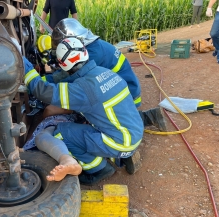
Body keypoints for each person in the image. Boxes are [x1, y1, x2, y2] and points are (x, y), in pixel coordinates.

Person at [23, 37, 144, 185]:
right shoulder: (104, 71)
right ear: (85, 52)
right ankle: (115, 156)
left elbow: (42, 91)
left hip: (122, 142)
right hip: (134, 132)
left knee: (60, 133)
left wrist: (26, 66)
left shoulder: (84, 89)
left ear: (62, 64)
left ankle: (98, 168)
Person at [47, 18, 167, 132]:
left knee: (90, 109)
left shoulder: (92, 54)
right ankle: (148, 116)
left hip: (126, 95)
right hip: (124, 88)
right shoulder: (92, 46)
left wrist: (42, 82)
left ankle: (145, 118)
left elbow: (69, 79)